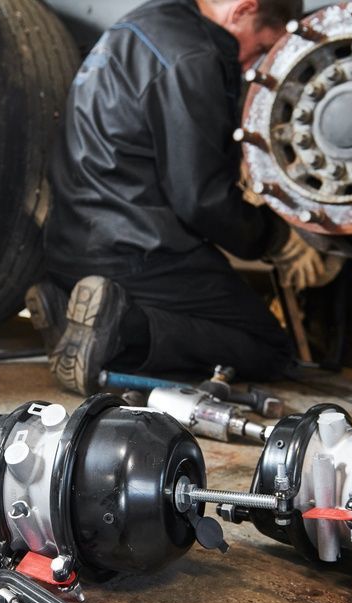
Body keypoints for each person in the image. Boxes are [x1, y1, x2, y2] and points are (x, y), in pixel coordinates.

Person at [26, 0, 318, 395]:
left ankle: (68, 306)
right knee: (271, 349)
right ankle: (124, 330)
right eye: (263, 46)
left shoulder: (145, 23)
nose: (255, 65)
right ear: (243, 9)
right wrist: (277, 240)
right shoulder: (195, 56)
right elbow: (202, 200)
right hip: (135, 251)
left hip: (72, 243)